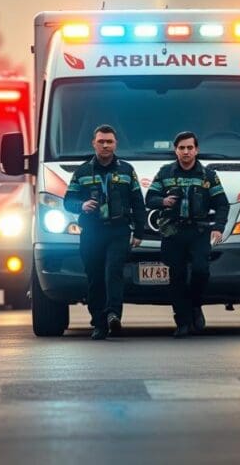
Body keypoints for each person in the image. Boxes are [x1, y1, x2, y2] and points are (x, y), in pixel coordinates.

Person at [63, 124, 146, 340]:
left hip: (119, 231)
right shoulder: (82, 171)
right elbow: (68, 201)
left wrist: (139, 232)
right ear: (94, 144)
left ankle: (113, 315)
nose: (106, 145)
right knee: (95, 278)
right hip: (91, 232)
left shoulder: (127, 170)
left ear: (115, 144)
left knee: (113, 273)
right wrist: (81, 205)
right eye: (101, 141)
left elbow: (138, 202)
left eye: (109, 141)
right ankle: (98, 323)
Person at [146, 131, 230, 338]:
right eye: (181, 148)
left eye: (189, 148)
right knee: (177, 277)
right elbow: (150, 198)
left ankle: (195, 305)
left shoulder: (207, 176)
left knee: (201, 271)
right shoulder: (165, 173)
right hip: (173, 232)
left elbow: (222, 204)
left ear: (196, 150)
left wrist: (218, 227)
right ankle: (182, 321)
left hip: (199, 231)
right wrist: (163, 202)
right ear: (176, 150)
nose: (186, 152)